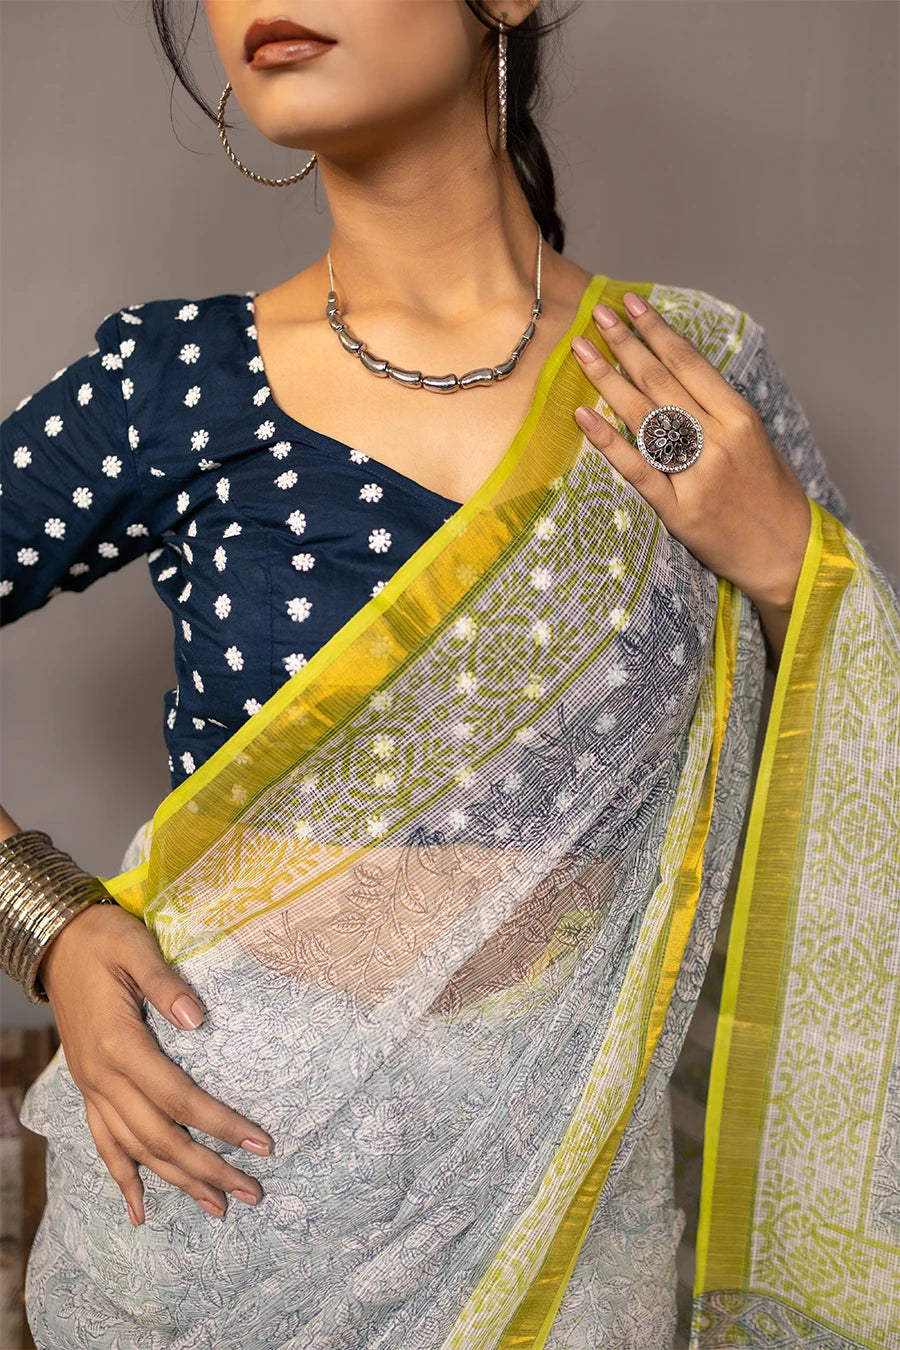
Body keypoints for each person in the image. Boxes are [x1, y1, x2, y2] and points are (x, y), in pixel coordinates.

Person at [1, 2, 897, 1347]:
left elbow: (840, 820)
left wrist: (788, 565)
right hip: (218, 1199)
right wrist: (44, 918)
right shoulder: (173, 379)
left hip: (571, 1208)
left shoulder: (693, 385)